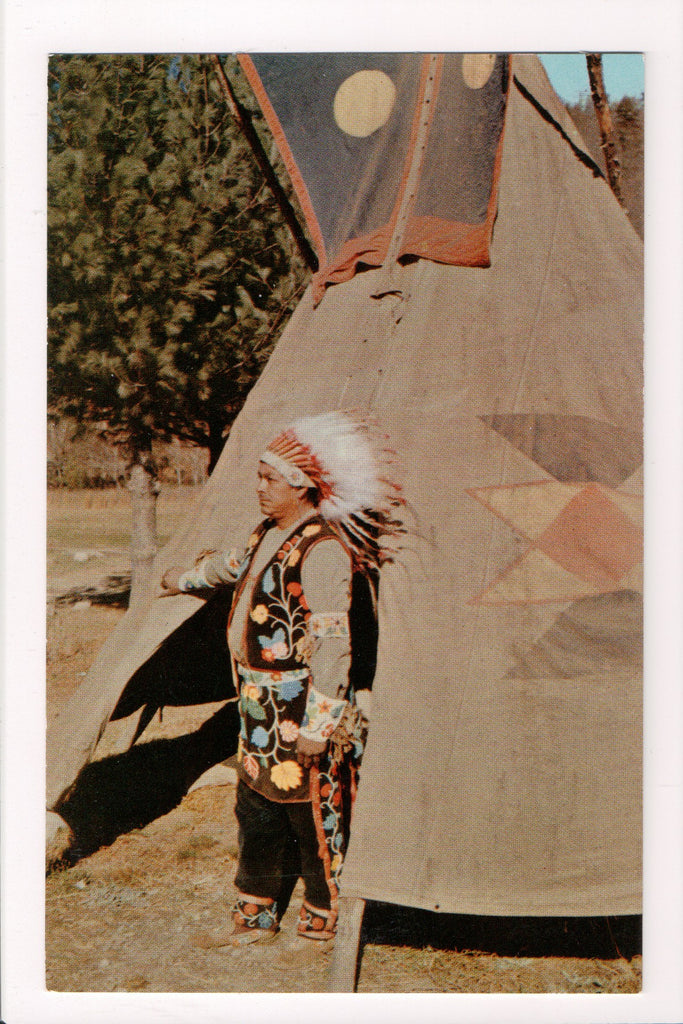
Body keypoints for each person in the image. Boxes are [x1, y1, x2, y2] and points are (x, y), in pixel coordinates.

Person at [161, 411, 402, 946]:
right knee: (256, 806)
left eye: (268, 479)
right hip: (255, 704)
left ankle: (322, 919)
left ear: (301, 485)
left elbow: (336, 645)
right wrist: (178, 580)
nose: (259, 488)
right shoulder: (268, 532)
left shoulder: (322, 549)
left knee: (311, 810)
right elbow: (228, 567)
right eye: (259, 477)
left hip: (301, 704)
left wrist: (320, 724)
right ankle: (255, 917)